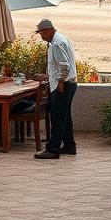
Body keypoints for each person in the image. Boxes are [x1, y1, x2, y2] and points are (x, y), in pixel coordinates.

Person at [33, 19, 78, 159]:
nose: (41, 37)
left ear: (48, 30)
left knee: (57, 117)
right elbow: (59, 64)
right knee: (65, 117)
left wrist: (60, 81)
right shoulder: (60, 39)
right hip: (70, 82)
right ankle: (69, 146)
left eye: (41, 33)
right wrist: (48, 76)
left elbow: (64, 65)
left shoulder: (57, 43)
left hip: (63, 84)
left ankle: (53, 149)